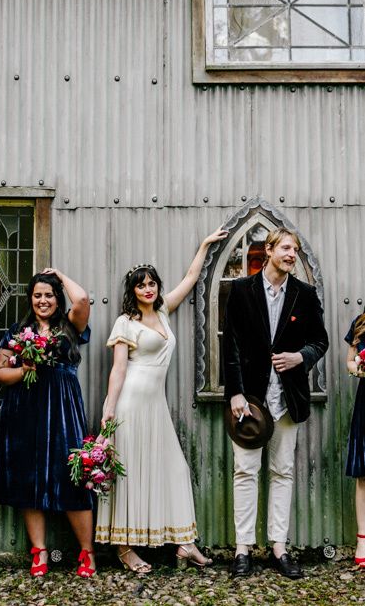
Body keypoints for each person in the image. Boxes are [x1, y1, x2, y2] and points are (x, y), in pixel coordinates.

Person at [95, 228, 228, 573]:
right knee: (127, 474)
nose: (148, 288)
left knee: (175, 469)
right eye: (141, 285)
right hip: (131, 403)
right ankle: (125, 550)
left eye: (151, 283)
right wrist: (108, 414)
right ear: (133, 291)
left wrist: (205, 244)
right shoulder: (126, 322)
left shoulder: (165, 311)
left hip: (156, 405)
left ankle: (185, 543)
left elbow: (191, 277)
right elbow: (118, 371)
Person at [222, 227, 328, 580]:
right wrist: (234, 391)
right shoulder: (240, 290)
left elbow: (320, 341)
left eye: (295, 250)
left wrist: (300, 357)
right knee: (245, 471)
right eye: (285, 248)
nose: (291, 254)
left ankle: (279, 547)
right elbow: (231, 344)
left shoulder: (305, 294)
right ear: (268, 250)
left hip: (287, 398)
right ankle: (242, 549)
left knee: (282, 472)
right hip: (249, 399)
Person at [0, 269, 96, 578]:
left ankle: (86, 552)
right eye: (37, 295)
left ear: (57, 298)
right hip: (25, 407)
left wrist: (61, 275)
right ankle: (39, 552)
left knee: (72, 475)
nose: (42, 300)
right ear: (30, 299)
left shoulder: (70, 326)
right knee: (30, 475)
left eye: (48, 295)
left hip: (63, 407)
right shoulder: (18, 330)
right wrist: (25, 369)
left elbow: (82, 299)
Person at [344, 312, 365, 569]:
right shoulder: (360, 323)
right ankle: (363, 540)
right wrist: (359, 368)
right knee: (364, 475)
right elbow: (349, 362)